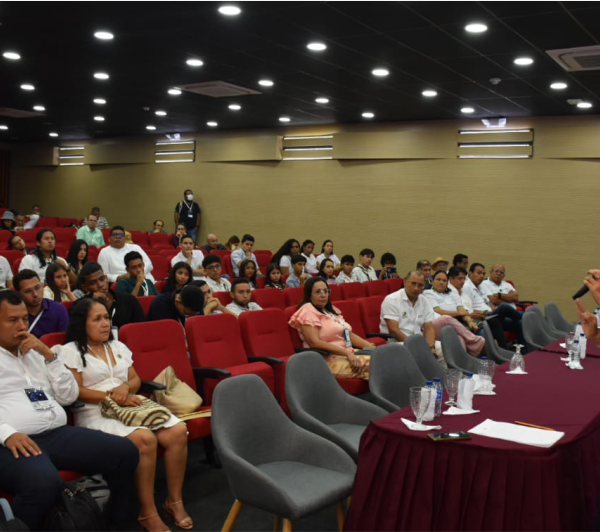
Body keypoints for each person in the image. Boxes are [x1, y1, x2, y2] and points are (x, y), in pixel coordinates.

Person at [0, 290, 139, 531]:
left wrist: (49, 356)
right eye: (13, 320)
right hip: (12, 440)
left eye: (24, 318)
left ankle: (115, 523)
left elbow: (68, 395)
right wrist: (6, 433)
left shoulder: (35, 353)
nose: (22, 326)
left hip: (55, 432)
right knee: (43, 483)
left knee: (125, 452)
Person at [56, 298, 192, 531]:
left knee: (177, 431)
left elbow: (135, 379)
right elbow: (76, 392)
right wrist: (112, 396)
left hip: (129, 404)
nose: (105, 323)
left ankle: (174, 501)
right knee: (145, 439)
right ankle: (147, 512)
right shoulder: (70, 351)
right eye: (97, 319)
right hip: (95, 412)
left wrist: (126, 389)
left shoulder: (117, 346)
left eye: (107, 317)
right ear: (82, 323)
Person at [289, 276, 375, 379]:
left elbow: (348, 335)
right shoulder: (307, 311)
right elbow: (314, 342)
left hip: (347, 354)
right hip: (326, 360)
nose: (323, 295)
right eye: (318, 292)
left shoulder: (330, 311)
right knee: (378, 366)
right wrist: (347, 353)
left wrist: (371, 347)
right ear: (309, 295)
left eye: (326, 291)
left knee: (382, 358)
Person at [380, 270, 442, 361]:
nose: (416, 288)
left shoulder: (424, 301)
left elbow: (429, 328)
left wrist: (430, 346)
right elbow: (394, 330)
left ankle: (442, 374)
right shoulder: (392, 300)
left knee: (441, 347)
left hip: (419, 341)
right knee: (416, 352)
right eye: (413, 283)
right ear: (405, 281)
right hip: (398, 342)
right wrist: (416, 346)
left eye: (420, 285)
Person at [423, 270, 485, 357]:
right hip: (435, 326)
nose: (441, 282)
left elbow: (462, 310)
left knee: (459, 339)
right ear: (432, 282)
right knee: (445, 318)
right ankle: (474, 339)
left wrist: (469, 321)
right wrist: (459, 313)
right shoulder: (428, 293)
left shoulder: (452, 293)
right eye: (438, 279)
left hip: (454, 326)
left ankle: (463, 362)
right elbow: (438, 311)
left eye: (444, 280)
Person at [464, 262, 525, 347]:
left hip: (491, 315)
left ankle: (524, 350)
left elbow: (489, 301)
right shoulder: (467, 287)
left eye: (483, 274)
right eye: (479, 273)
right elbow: (469, 311)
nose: (482, 276)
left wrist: (493, 309)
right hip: (483, 317)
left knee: (518, 323)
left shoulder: (481, 286)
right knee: (504, 307)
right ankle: (525, 316)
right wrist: (485, 313)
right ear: (470, 273)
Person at [448, 266, 508, 349]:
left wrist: (478, 313)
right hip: (463, 320)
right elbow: (457, 312)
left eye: (464, 279)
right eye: (459, 279)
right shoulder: (450, 292)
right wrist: (471, 315)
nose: (462, 282)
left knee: (499, 321)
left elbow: (472, 307)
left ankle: (501, 350)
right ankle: (499, 351)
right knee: (497, 317)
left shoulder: (463, 291)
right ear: (451, 279)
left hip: (476, 317)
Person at [78, 262, 145, 329]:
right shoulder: (80, 307)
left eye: (102, 279)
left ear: (106, 278)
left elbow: (141, 329)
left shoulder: (129, 300)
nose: (100, 285)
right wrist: (91, 303)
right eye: (93, 283)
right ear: (85, 288)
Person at [14, 270, 69, 337]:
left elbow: (66, 341)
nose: (35, 294)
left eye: (37, 287)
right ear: (18, 293)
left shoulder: (58, 309)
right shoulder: (14, 314)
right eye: (28, 291)